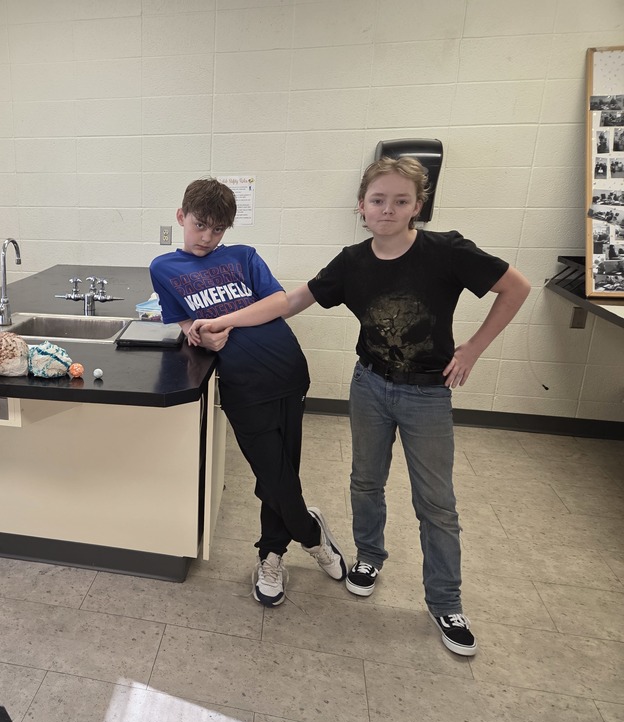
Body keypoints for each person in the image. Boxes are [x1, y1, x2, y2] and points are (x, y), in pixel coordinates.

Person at [277, 156, 531, 655]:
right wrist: (229, 320)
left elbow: (516, 287)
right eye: (378, 200)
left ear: (418, 206)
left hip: (427, 393)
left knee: (436, 504)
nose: (387, 209)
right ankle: (370, 556)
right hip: (370, 385)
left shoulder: (447, 251)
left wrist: (473, 348)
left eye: (400, 200)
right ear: (361, 207)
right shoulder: (352, 262)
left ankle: (445, 601)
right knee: (365, 479)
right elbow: (292, 301)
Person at [150, 178, 346, 607]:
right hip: (241, 381)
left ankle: (271, 553)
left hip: (287, 367)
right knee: (272, 474)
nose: (207, 237)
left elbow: (277, 303)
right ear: (181, 217)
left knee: (281, 472)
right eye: (200, 225)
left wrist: (226, 323)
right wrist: (202, 335)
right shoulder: (163, 267)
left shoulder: (243, 256)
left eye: (218, 229)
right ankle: (312, 536)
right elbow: (184, 322)